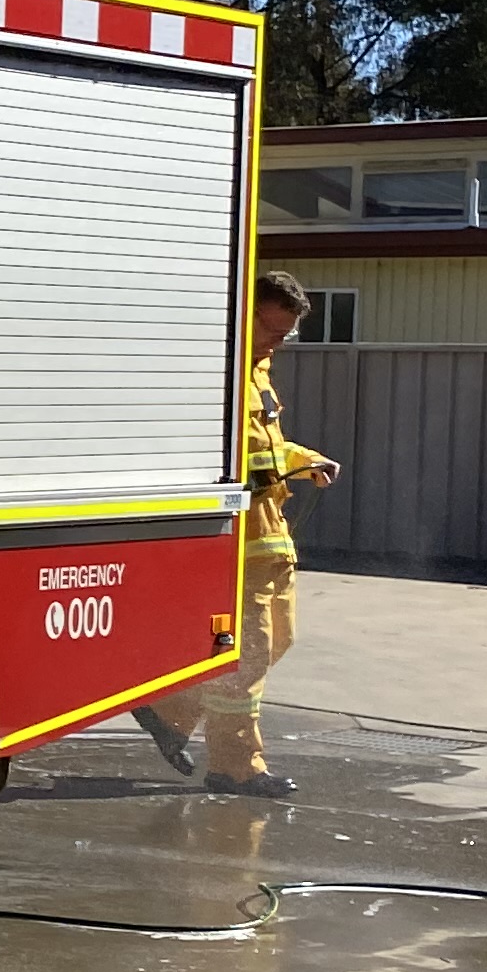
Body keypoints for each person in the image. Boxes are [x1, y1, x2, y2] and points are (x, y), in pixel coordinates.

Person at [134, 272, 338, 797]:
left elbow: (266, 447)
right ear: (245, 315)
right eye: (270, 329)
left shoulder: (258, 372)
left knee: (279, 641)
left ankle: (171, 712)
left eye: (284, 333)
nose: (276, 342)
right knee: (247, 658)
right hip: (238, 546)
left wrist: (306, 459)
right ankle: (236, 766)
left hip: (272, 539)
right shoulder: (214, 374)